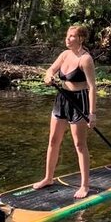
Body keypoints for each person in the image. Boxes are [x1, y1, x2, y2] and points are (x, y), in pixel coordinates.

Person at [34, 25, 97, 199]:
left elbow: (92, 87)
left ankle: (85, 185)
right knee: (53, 140)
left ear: (81, 39)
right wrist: (48, 76)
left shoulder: (86, 59)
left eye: (71, 36)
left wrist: (92, 114)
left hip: (79, 101)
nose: (67, 39)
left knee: (79, 145)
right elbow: (50, 70)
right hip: (62, 100)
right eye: (67, 36)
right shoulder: (64, 55)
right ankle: (48, 178)